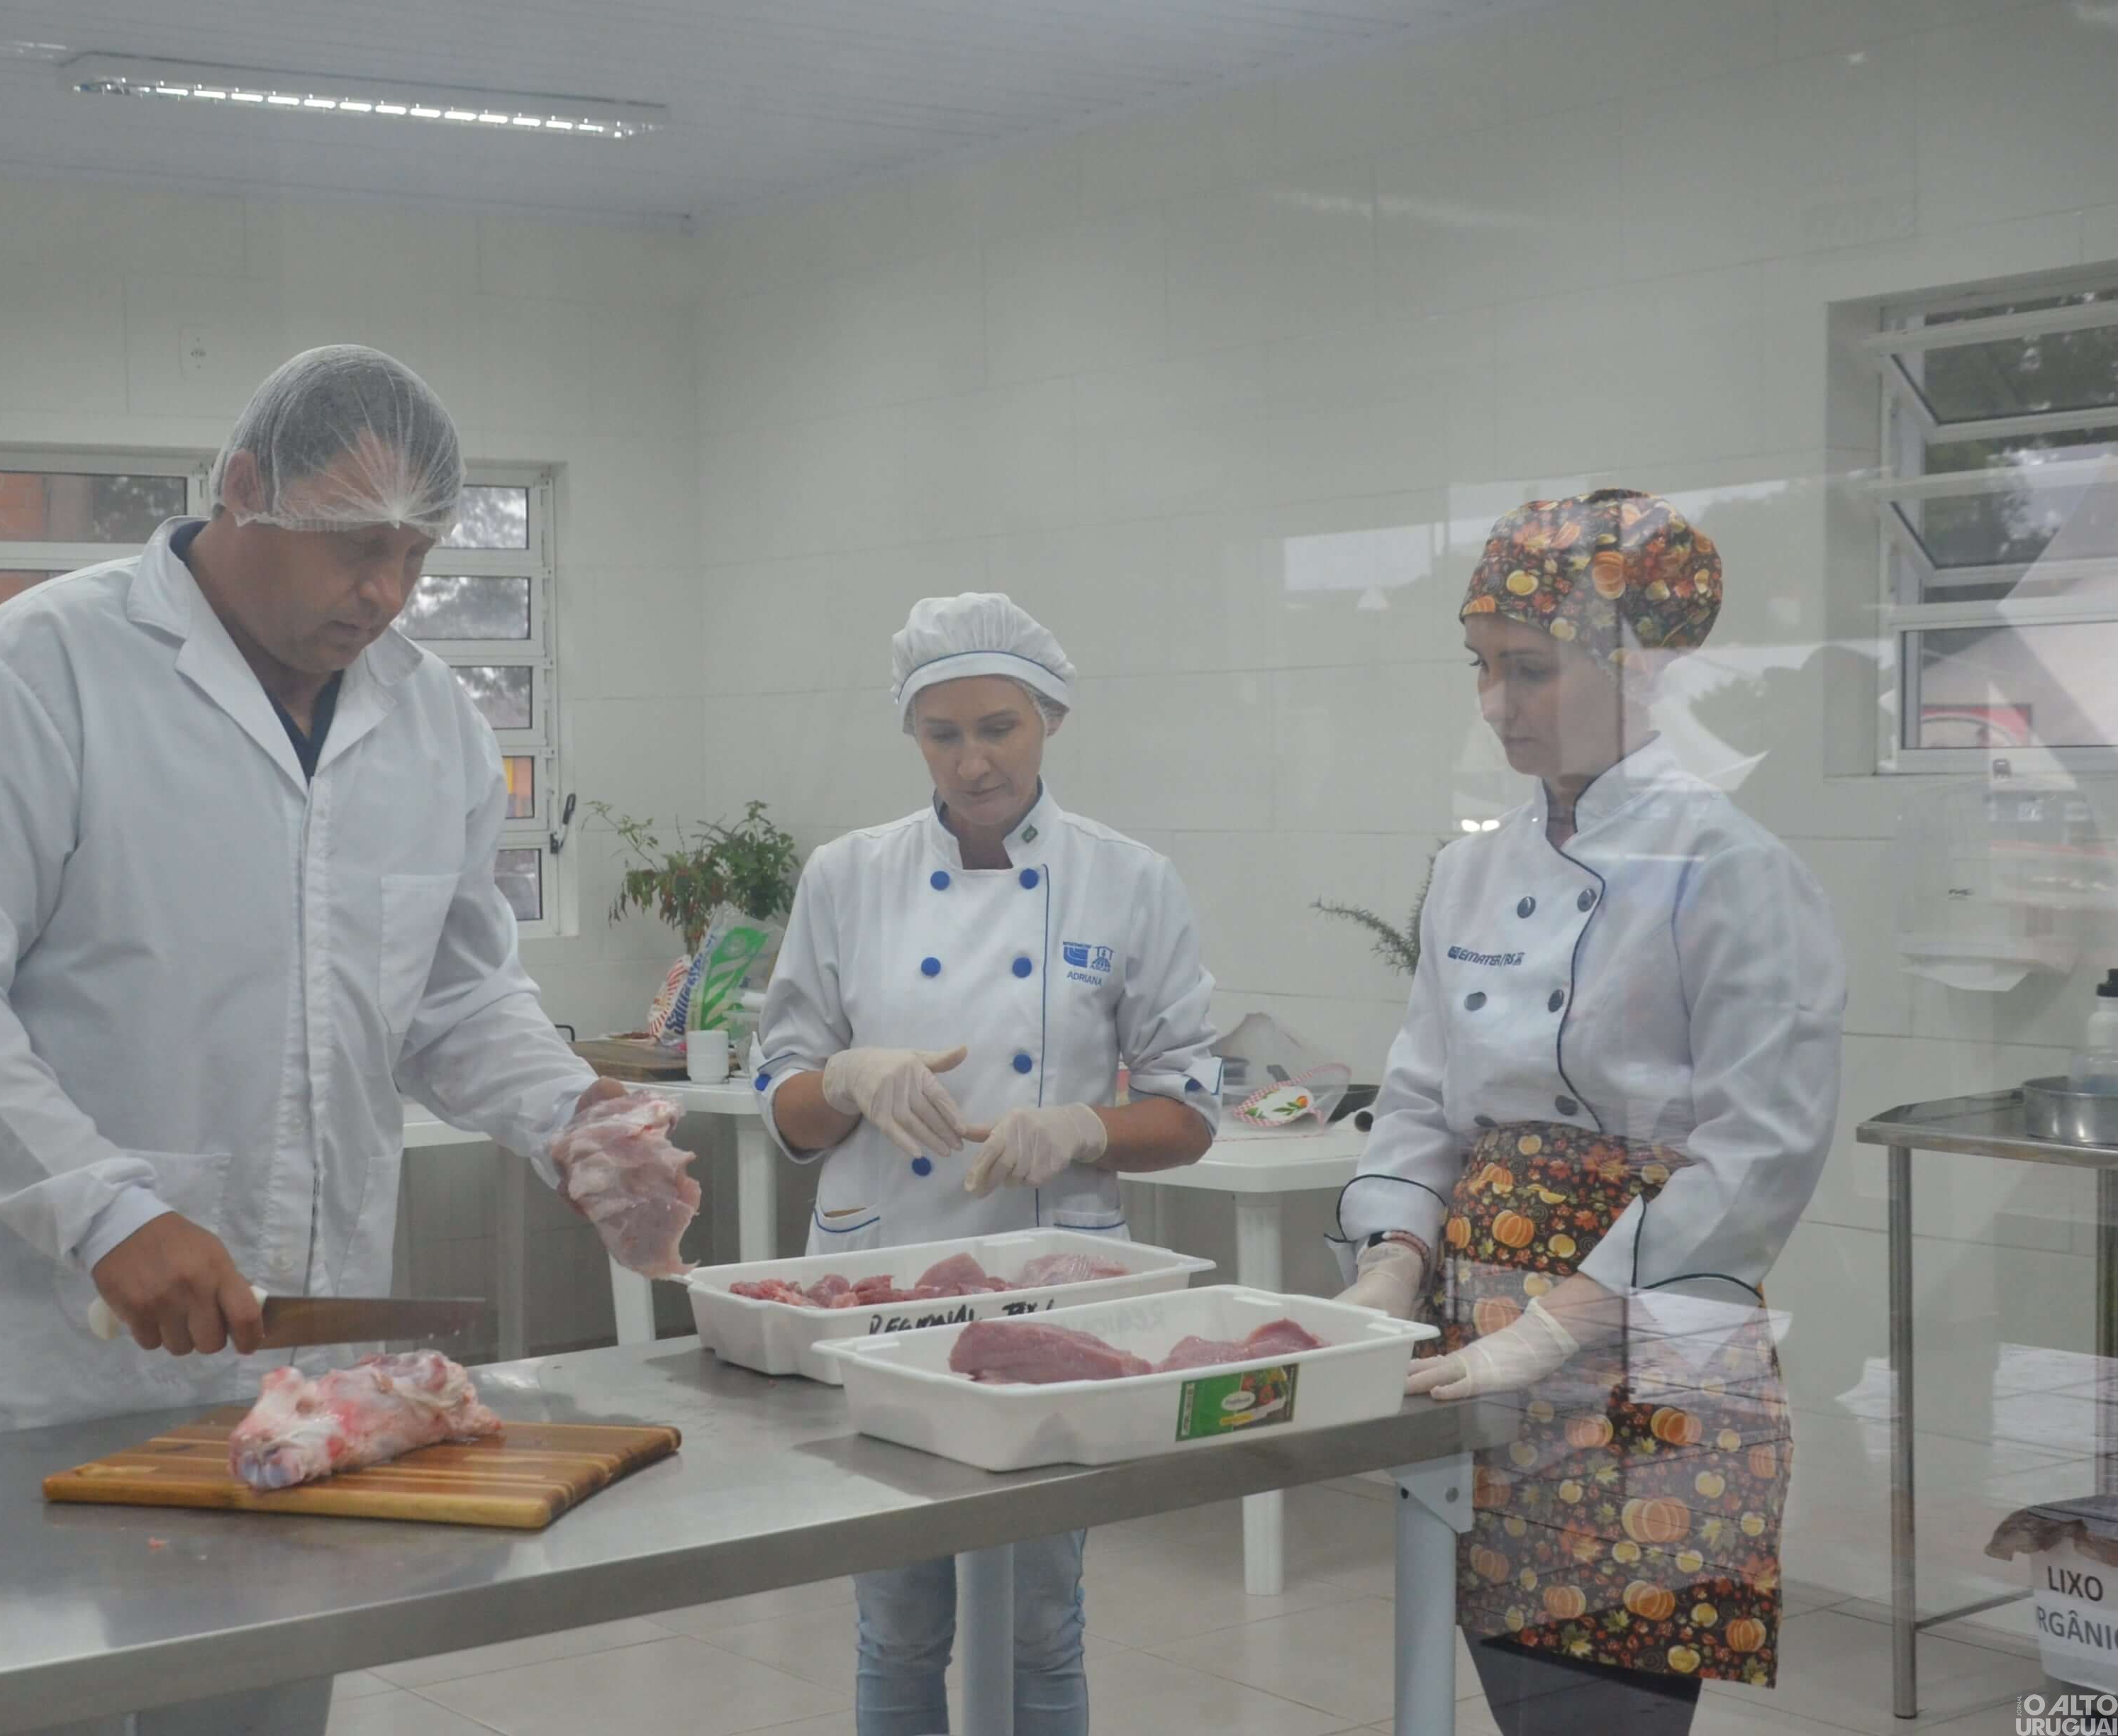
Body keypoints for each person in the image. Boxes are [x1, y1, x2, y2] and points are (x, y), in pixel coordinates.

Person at [0, 346, 662, 1736]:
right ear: (240, 491)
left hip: (301, 1389)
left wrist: (574, 1116)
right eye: (354, 547)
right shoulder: (42, 668)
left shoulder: (432, 725)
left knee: (263, 1720)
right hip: (49, 1367)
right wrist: (104, 1210)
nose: (389, 593)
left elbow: (456, 994)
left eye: (417, 553)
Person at [1329, 489, 1844, 1735]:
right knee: (1506, 1656)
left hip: (1651, 1319)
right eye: (1483, 671)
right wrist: (1393, 1261)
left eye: (1532, 671)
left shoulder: (1732, 867)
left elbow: (1760, 1145)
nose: (1499, 706)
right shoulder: (1471, 867)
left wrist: (1563, 1322)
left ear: (1637, 665)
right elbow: (1420, 1097)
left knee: (1610, 1693)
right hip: (1476, 1319)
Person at [754, 592, 1223, 1736]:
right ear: (913, 737)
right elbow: (784, 1109)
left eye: (998, 728)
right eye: (944, 733)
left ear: (1049, 720)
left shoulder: (1130, 879)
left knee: (1036, 1620)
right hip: (881, 1290)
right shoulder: (847, 875)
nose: (972, 761)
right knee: (897, 1619)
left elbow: (1193, 1110)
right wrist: (854, 1079)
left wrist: (1082, 1129)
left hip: (1046, 1283)